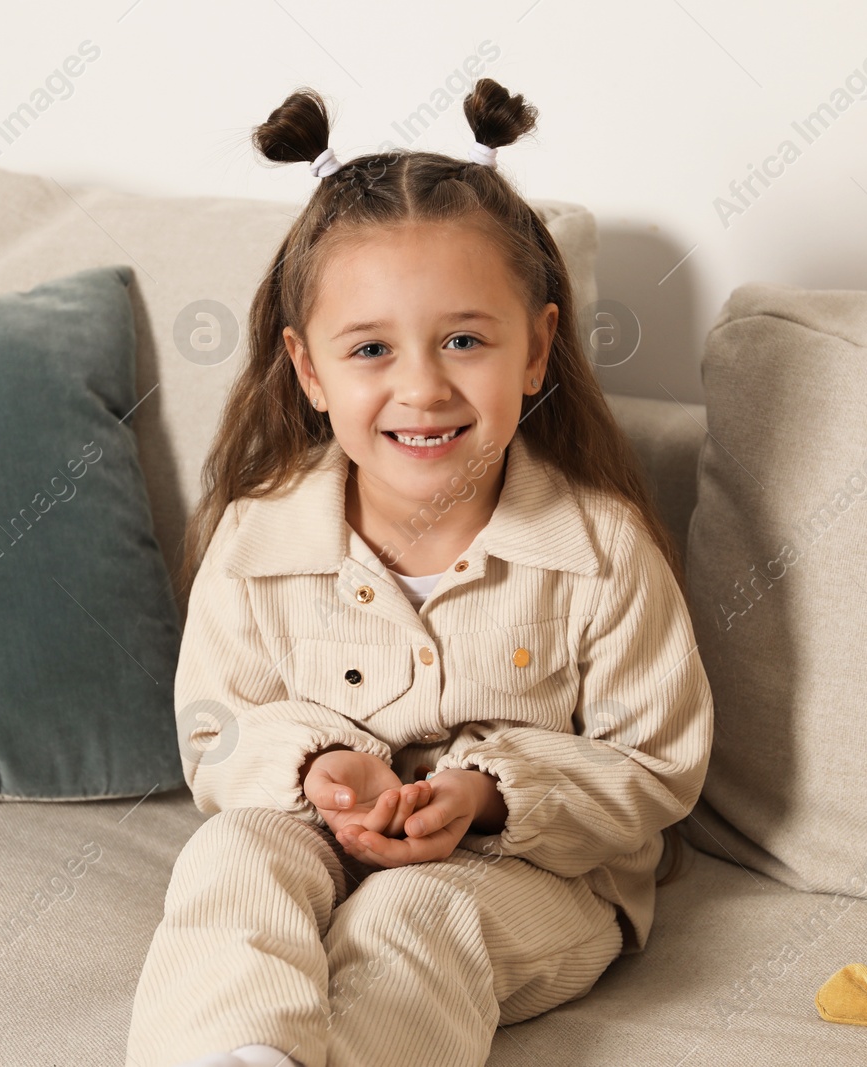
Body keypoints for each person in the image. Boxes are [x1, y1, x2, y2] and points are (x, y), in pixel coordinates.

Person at [127, 77, 713, 1067]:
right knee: (227, 855)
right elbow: (216, 733)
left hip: (535, 877)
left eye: (463, 340)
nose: (422, 386)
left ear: (535, 350)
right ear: (309, 372)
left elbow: (655, 766)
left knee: (412, 911)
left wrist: (485, 792)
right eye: (369, 348)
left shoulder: (601, 551)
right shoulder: (259, 539)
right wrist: (317, 771)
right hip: (314, 837)